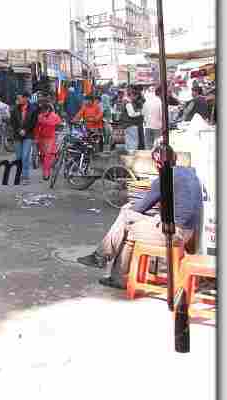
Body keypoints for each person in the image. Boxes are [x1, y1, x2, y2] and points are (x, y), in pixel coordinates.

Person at [78, 140, 203, 289]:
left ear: (157, 163)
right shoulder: (189, 173)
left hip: (175, 234)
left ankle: (106, 263)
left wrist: (131, 207)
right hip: (190, 233)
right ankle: (107, 264)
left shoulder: (165, 177)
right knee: (127, 222)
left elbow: (140, 208)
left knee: (127, 221)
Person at [10, 93, 38, 185]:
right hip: (17, 135)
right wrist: (19, 130)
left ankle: (25, 176)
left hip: (28, 135)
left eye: (21, 98)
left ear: (26, 98)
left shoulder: (33, 109)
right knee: (19, 157)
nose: (19, 99)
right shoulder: (15, 109)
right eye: (19, 98)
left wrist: (25, 130)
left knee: (25, 156)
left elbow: (34, 123)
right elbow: (12, 122)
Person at [35, 103, 62, 181]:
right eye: (42, 111)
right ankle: (47, 167)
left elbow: (60, 125)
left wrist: (57, 130)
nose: (43, 112)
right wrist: (36, 137)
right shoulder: (40, 116)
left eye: (44, 111)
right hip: (41, 138)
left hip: (50, 138)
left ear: (48, 110)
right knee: (42, 156)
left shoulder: (55, 117)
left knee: (47, 155)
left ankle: (46, 173)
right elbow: (37, 127)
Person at [122, 87, 144, 152]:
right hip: (131, 124)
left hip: (127, 125)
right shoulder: (128, 103)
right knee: (133, 144)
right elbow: (131, 114)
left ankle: (130, 157)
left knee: (129, 142)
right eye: (135, 96)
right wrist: (140, 113)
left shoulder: (126, 101)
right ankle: (132, 157)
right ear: (132, 95)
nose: (135, 99)